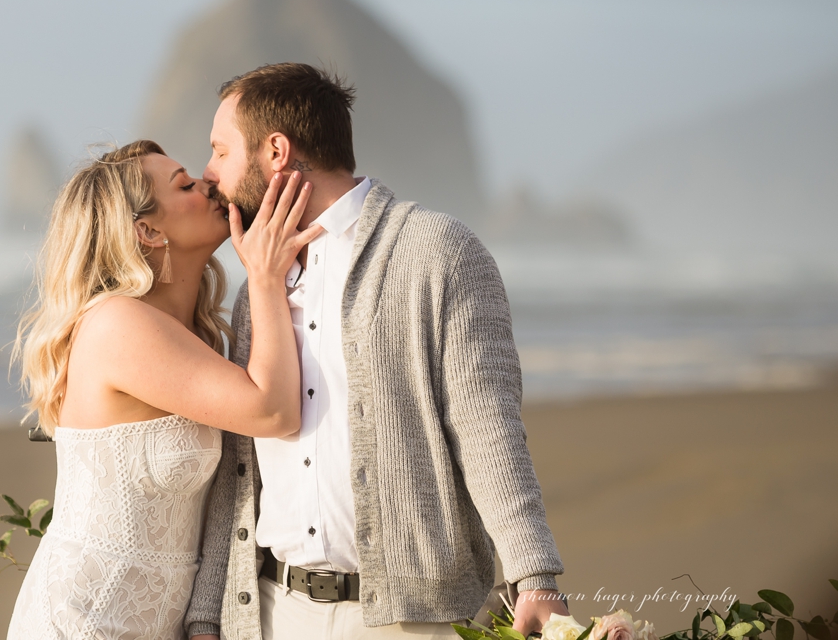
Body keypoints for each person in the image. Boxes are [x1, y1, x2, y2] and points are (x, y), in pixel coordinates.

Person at [185, 63, 569, 640]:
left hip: (410, 620)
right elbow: (241, 468)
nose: (209, 173)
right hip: (271, 613)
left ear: (276, 151)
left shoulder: (436, 250)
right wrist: (209, 612)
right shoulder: (255, 290)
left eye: (220, 151)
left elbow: (488, 426)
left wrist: (534, 573)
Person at [6, 139, 323, 640]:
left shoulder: (191, 336)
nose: (208, 181)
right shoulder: (118, 324)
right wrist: (264, 277)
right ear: (148, 230)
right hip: (85, 622)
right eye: (185, 184)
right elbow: (273, 411)